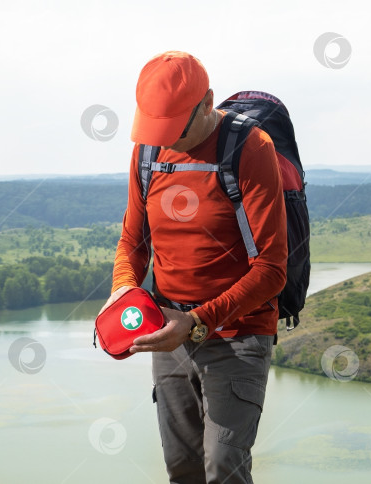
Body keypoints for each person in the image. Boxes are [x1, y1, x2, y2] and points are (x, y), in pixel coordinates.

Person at [101, 51, 287, 483]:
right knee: (181, 469)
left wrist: (197, 321)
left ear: (208, 103)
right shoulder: (147, 150)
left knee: (224, 467)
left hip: (239, 332)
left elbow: (273, 269)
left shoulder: (250, 149)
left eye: (173, 130)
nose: (165, 140)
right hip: (170, 335)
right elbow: (133, 242)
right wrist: (125, 289)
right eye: (155, 128)